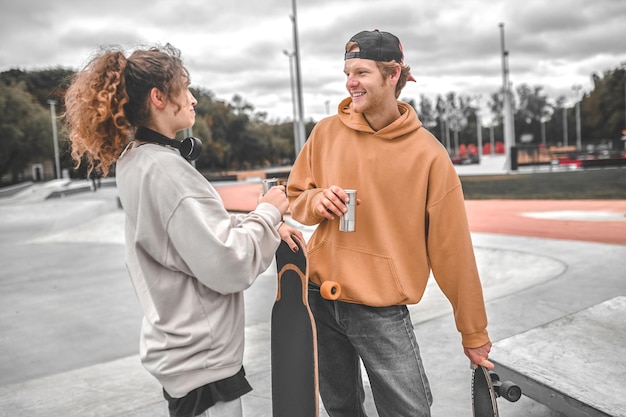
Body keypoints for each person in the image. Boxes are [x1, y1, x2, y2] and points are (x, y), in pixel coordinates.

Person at [64, 44, 304, 417]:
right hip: (202, 363)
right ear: (159, 97)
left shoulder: (138, 159)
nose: (193, 98)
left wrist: (266, 227)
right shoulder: (164, 170)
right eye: (185, 88)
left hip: (188, 354)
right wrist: (269, 211)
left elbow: (194, 237)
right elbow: (229, 265)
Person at [286, 30, 493, 417]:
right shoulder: (326, 133)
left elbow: (454, 252)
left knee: (409, 412)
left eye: (361, 72)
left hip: (381, 311)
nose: (350, 82)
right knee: (341, 408)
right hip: (319, 299)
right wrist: (316, 201)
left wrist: (474, 331)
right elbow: (296, 197)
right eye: (348, 72)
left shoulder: (429, 155)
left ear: (393, 73)